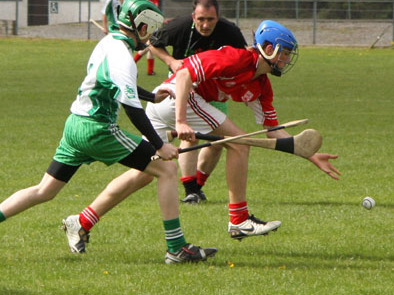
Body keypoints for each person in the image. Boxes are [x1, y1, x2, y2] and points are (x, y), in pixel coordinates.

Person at [0, 0, 217, 265]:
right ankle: (176, 248)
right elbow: (131, 108)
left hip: (75, 125)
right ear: (139, 28)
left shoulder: (108, 43)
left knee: (45, 190)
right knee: (167, 169)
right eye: (148, 30)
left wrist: (151, 96)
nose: (150, 37)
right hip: (97, 129)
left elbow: (115, 83)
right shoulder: (122, 55)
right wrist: (159, 145)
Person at [145, 20, 341, 240]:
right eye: (284, 53)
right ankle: (239, 220)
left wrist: (310, 154)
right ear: (269, 49)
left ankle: (95, 214)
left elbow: (272, 131)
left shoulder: (261, 86)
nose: (286, 60)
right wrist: (181, 121)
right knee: (239, 143)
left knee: (142, 170)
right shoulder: (236, 58)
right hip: (175, 96)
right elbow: (182, 75)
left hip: (162, 105)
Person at [148, 0, 248, 204]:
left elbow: (244, 60)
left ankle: (197, 186)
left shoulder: (230, 32)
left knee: (219, 142)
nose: (205, 25)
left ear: (218, 17)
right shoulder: (180, 26)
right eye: (201, 19)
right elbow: (153, 43)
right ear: (193, 16)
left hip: (214, 91)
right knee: (190, 136)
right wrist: (171, 61)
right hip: (185, 88)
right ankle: (191, 189)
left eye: (211, 20)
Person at [134, 0, 160, 76]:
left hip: (154, 26)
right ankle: (133, 61)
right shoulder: (144, 0)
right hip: (146, 27)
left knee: (150, 49)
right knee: (148, 46)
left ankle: (150, 71)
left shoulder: (156, 0)